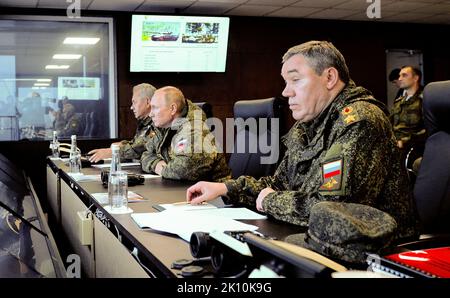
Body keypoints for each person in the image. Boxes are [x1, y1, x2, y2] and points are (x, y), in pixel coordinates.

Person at [187, 40, 418, 241]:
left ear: (329, 77)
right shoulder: (307, 125)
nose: (286, 92)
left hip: (374, 252)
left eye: (295, 80)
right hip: (316, 239)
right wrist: (226, 187)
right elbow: (278, 184)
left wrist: (270, 202)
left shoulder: (360, 122)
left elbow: (332, 211)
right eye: (286, 83)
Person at [140, 86, 231, 182]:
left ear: (173, 109)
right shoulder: (165, 126)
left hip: (214, 193)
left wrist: (157, 167)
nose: (150, 114)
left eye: (155, 108)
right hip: (182, 188)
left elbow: (183, 170)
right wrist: (157, 164)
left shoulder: (195, 129)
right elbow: (146, 153)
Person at [88, 83, 157, 162]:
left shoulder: (157, 123)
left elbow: (141, 147)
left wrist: (112, 152)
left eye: (134, 102)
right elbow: (137, 142)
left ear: (147, 102)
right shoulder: (144, 123)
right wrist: (122, 144)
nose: (131, 107)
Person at [389, 66, 425, 150]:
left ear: (415, 78)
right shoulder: (399, 101)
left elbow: (428, 129)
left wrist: (405, 141)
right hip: (394, 146)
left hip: (413, 147)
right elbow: (390, 123)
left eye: (404, 75)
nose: (400, 79)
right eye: (399, 75)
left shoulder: (424, 99)